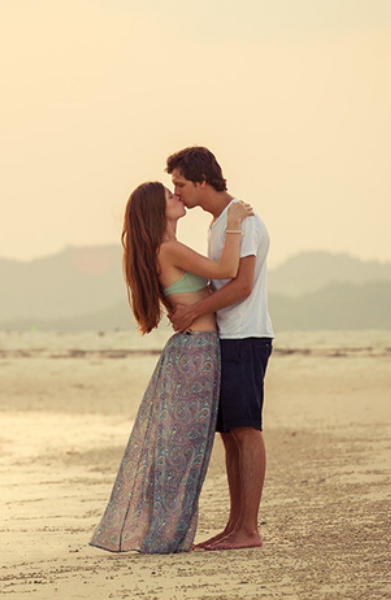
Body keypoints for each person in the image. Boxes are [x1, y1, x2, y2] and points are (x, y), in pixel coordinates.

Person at [90, 181, 252, 554]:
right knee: (182, 451)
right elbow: (227, 267)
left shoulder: (163, 249)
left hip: (193, 352)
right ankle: (163, 536)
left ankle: (165, 534)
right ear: (155, 211)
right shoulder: (168, 249)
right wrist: (235, 221)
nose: (177, 197)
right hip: (195, 354)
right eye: (169, 196)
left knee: (181, 449)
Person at [166, 146, 273, 551]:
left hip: (246, 336)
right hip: (227, 337)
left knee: (246, 430)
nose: (177, 192)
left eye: (180, 184)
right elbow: (219, 282)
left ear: (201, 180)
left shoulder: (241, 221)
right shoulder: (220, 223)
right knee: (230, 434)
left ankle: (249, 529)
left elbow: (241, 285)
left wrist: (196, 308)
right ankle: (235, 526)